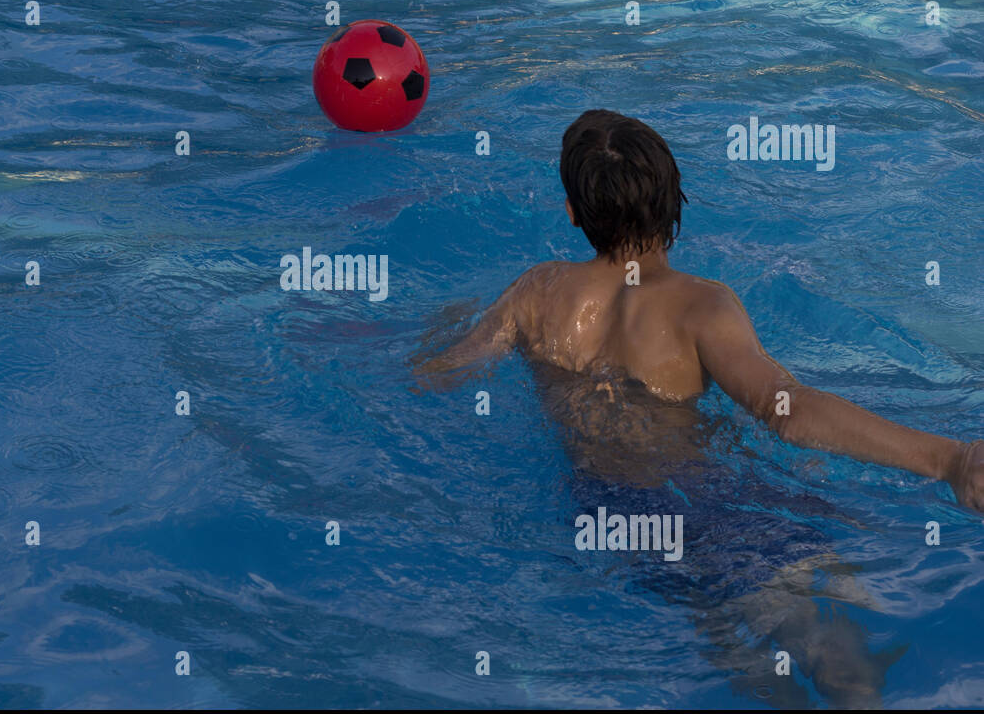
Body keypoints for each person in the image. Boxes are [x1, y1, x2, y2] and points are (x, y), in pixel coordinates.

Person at [416, 109, 984, 511]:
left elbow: (439, 374)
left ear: (572, 213)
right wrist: (950, 460)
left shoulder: (534, 293)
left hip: (598, 509)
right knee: (825, 642)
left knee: (739, 652)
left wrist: (445, 322)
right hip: (706, 501)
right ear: (674, 200)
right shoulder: (702, 305)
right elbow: (785, 411)